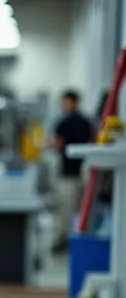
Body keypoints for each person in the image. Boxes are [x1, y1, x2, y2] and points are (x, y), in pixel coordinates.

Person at [52, 90, 93, 246]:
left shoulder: (64, 123)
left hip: (68, 174)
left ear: (72, 102)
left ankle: (65, 240)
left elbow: (58, 144)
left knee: (65, 210)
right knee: (80, 211)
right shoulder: (86, 122)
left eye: (65, 102)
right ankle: (79, 240)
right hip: (84, 173)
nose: (63, 105)